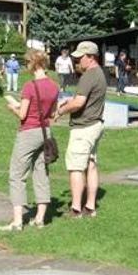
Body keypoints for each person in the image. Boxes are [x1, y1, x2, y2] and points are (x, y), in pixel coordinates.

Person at [0, 49, 59, 231]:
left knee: (17, 175)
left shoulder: (29, 86)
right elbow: (54, 113)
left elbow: (23, 115)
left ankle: (17, 222)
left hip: (28, 132)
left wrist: (12, 107)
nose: (25, 66)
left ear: (33, 64)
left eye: (27, 63)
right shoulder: (54, 86)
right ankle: (40, 218)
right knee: (41, 172)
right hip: (45, 131)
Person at [54, 41, 106, 218]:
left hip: (84, 128)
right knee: (91, 165)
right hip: (96, 124)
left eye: (80, 57)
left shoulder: (89, 75)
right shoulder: (99, 73)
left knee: (76, 167)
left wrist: (61, 110)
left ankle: (75, 209)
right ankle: (90, 206)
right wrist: (68, 100)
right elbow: (82, 99)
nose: (77, 61)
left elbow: (79, 103)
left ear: (90, 57)